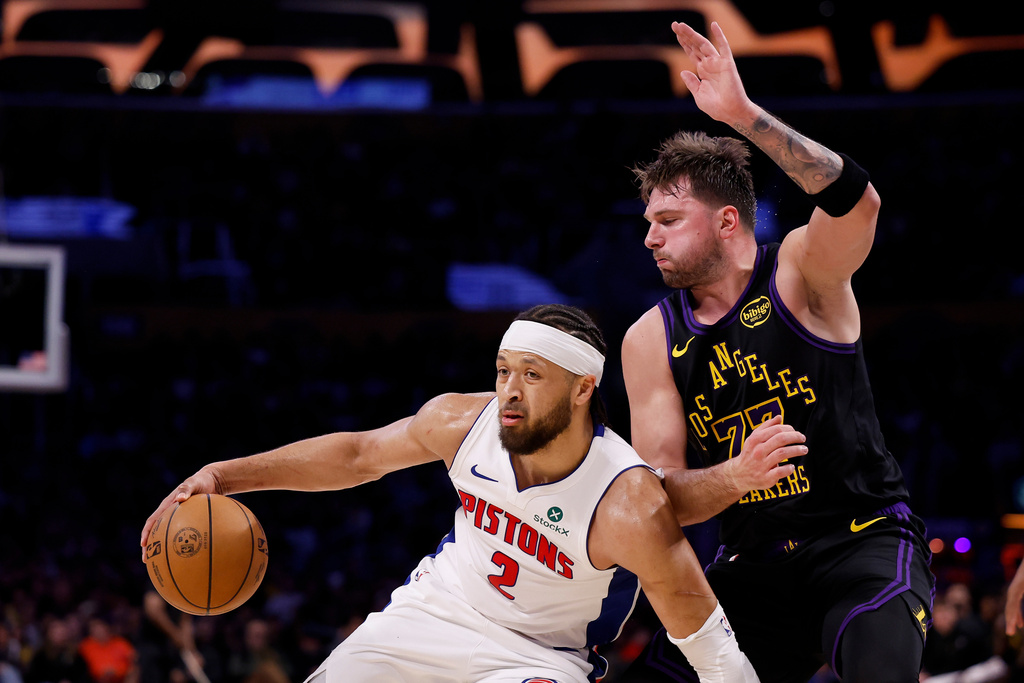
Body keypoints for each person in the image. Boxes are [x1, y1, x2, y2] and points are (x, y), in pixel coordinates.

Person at [140, 304, 760, 683]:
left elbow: (712, 651)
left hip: (539, 659)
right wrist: (226, 474)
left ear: (582, 390)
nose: (509, 390)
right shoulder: (461, 423)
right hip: (431, 616)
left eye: (532, 375)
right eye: (503, 370)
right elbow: (357, 456)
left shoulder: (628, 504)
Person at [616, 20, 935, 683]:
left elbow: (858, 202)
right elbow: (658, 498)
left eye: (667, 220)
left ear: (727, 221)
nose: (649, 237)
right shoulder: (649, 337)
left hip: (862, 537)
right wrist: (734, 477)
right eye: (647, 222)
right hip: (751, 565)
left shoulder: (796, 271)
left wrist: (742, 115)